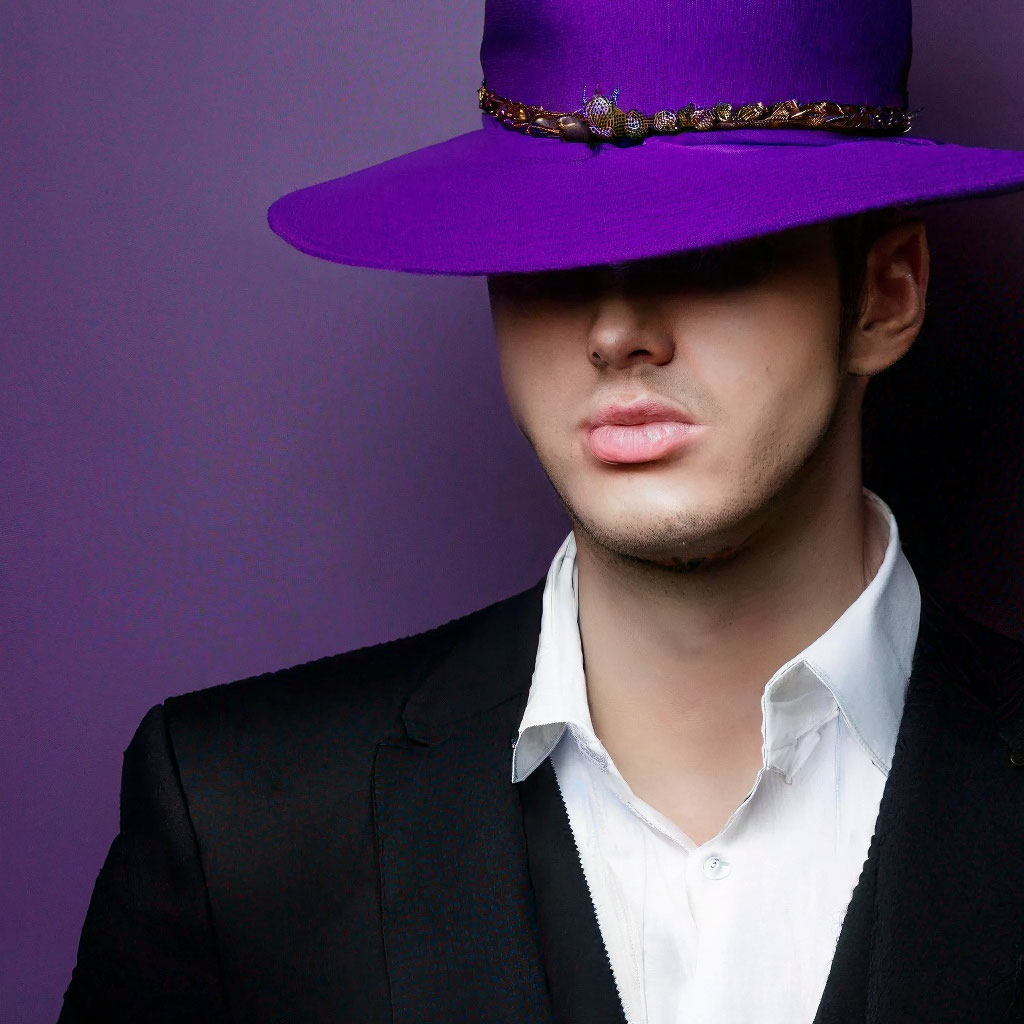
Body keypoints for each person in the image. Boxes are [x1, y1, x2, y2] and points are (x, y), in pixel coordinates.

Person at [58, 1, 1024, 1022]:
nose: (616, 332)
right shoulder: (238, 827)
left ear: (885, 294)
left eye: (711, 241)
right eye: (551, 248)